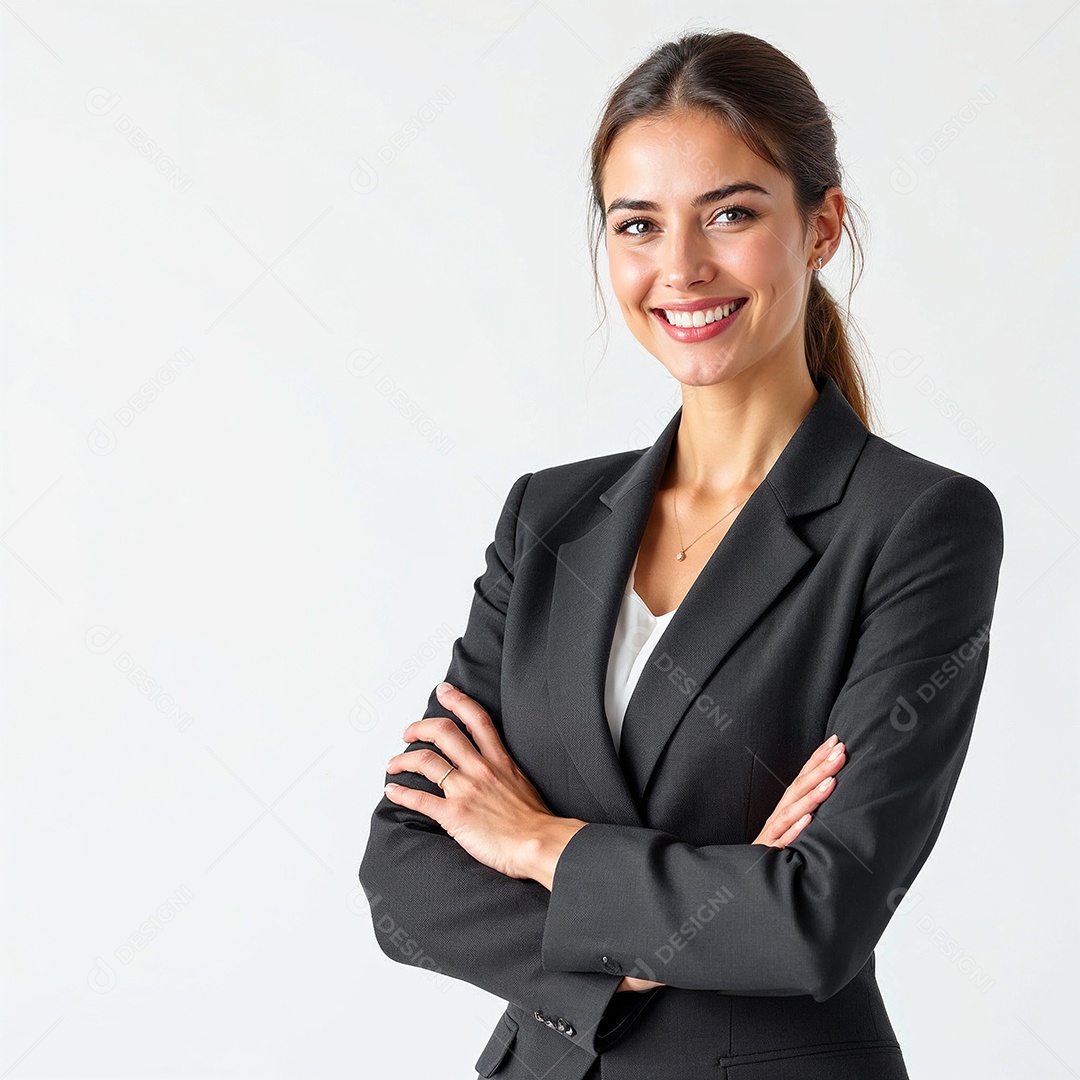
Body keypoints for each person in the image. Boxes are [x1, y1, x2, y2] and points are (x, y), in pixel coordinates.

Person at [358, 29, 1003, 1080]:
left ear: (822, 224)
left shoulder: (918, 524)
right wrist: (686, 921)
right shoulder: (549, 520)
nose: (681, 268)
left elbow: (816, 918)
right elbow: (406, 874)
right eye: (638, 225)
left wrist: (535, 845)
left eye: (732, 213)